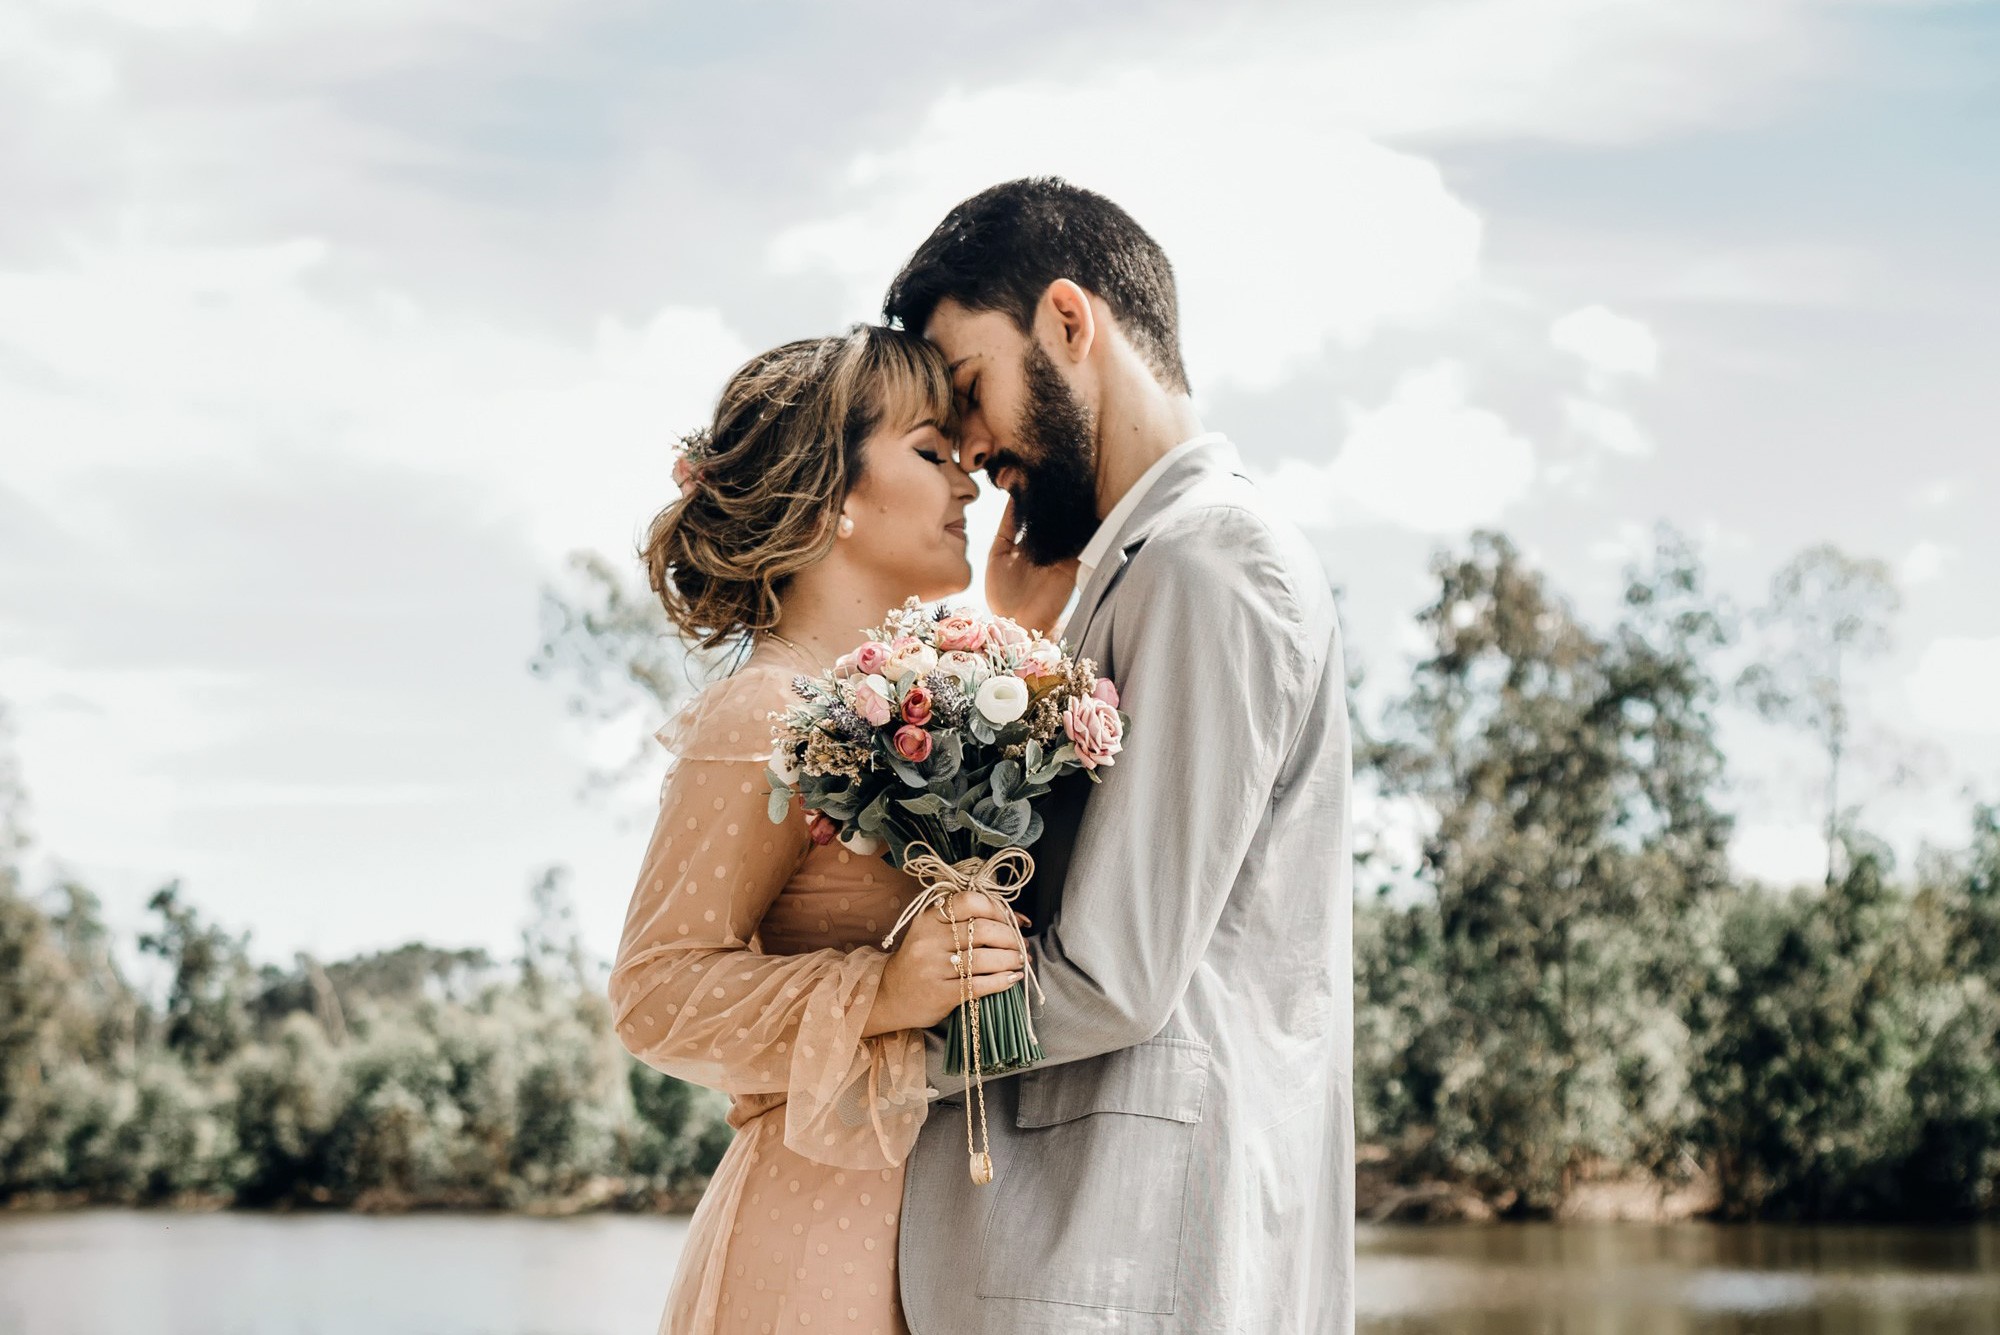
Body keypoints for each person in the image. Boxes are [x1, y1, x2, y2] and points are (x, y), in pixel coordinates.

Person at [882, 177, 1356, 1333]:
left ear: (1066, 321)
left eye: (966, 389)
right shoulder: (1135, 570)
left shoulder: (1209, 566)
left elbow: (1109, 977)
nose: (967, 446)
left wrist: (872, 1050)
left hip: (1127, 1262)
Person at [607, 326, 1029, 1335]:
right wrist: (879, 991)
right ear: (829, 492)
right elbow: (651, 992)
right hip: (815, 1244)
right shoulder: (760, 713)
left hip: (945, 1242)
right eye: (931, 454)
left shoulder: (932, 706)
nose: (968, 486)